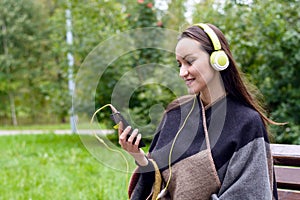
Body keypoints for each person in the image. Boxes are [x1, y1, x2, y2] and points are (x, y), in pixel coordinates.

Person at [118, 23, 279, 200]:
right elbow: (157, 185)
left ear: (217, 59)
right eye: (179, 64)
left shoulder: (246, 122)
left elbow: (250, 193)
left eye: (189, 62)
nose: (182, 72)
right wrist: (139, 157)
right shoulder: (175, 114)